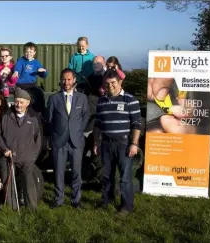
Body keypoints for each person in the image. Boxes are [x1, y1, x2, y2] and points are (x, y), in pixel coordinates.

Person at [93, 70, 142, 216]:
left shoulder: (130, 99)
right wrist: (96, 142)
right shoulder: (101, 101)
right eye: (107, 84)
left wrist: (134, 143)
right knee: (107, 176)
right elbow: (97, 124)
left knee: (125, 178)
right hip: (106, 144)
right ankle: (107, 200)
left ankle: (126, 206)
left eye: (113, 83)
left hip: (124, 145)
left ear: (120, 82)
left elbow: (137, 124)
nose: (110, 86)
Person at [45, 68, 89, 209]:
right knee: (58, 172)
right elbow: (50, 120)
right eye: (64, 79)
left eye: (69, 79)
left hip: (76, 141)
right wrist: (56, 133)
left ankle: (76, 199)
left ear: (74, 80)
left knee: (76, 172)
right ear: (60, 80)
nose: (66, 82)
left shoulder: (82, 98)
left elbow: (85, 117)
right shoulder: (54, 98)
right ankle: (58, 200)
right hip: (59, 141)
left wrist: (78, 130)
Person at [0, 89, 43, 210]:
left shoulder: (34, 117)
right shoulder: (5, 115)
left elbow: (38, 139)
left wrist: (33, 156)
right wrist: (4, 149)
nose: (18, 105)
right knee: (8, 183)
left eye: (21, 102)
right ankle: (12, 208)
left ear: (27, 103)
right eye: (16, 101)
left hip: (27, 157)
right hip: (7, 157)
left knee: (28, 183)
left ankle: (32, 208)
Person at [12, 42, 48, 114]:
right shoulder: (21, 60)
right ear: (24, 52)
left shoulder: (36, 63)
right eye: (26, 52)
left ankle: (41, 114)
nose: (28, 54)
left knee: (39, 94)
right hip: (21, 85)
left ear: (34, 52)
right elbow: (17, 67)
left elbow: (43, 75)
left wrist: (43, 72)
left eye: (30, 52)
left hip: (32, 85)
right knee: (26, 97)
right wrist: (16, 72)